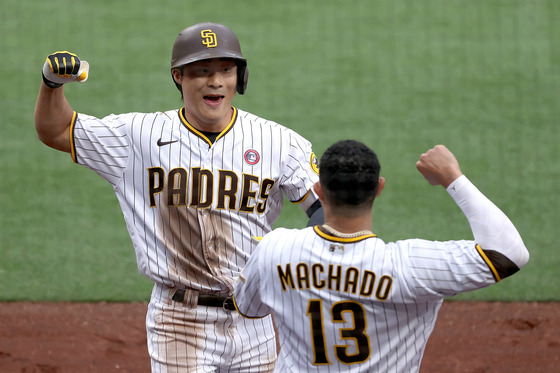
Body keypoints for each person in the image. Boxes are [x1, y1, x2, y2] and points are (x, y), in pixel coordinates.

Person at [34, 22, 323, 372]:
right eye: (202, 71)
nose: (216, 81)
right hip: (179, 321)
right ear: (178, 77)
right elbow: (56, 130)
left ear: (240, 78)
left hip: (255, 319)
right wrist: (52, 86)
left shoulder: (278, 141)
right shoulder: (137, 136)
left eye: (226, 71)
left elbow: (323, 211)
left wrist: (306, 262)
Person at [233, 140, 529, 372]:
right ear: (379, 188)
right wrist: (454, 178)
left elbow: (249, 308)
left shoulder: (276, 249)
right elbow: (509, 253)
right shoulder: (410, 266)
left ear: (318, 190)